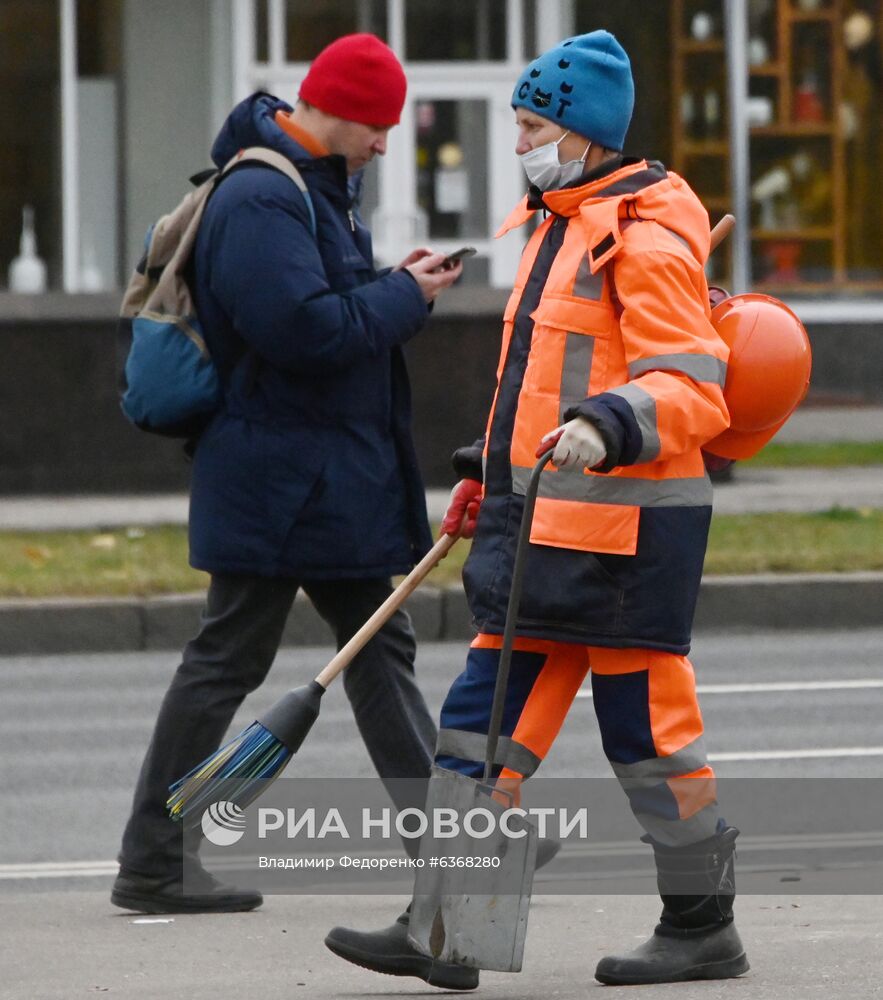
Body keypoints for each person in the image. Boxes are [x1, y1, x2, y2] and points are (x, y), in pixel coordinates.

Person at [325, 30, 749, 989]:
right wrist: (489, 471)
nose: (520, 142)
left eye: (530, 125)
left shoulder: (640, 235)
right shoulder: (562, 220)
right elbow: (537, 380)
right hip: (542, 525)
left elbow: (691, 385)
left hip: (627, 537)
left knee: (648, 744)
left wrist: (609, 423)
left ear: (583, 133)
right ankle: (450, 933)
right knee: (473, 736)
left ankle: (702, 923)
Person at [111, 33, 464, 915]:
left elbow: (318, 308)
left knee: (367, 649)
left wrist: (390, 283)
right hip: (287, 475)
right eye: (377, 126)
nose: (385, 143)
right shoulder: (265, 194)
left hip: (311, 472)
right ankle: (154, 861)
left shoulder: (311, 189)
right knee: (239, 656)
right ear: (336, 110)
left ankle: (157, 860)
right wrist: (403, 299)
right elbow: (300, 333)